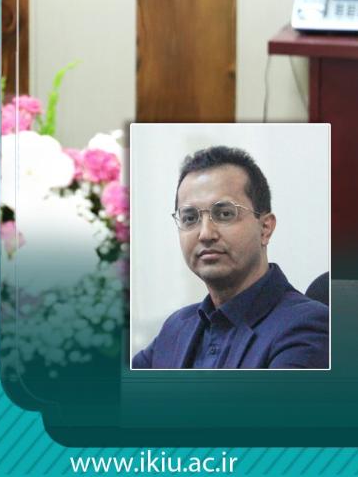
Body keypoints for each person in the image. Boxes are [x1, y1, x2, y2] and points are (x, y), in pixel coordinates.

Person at [132, 146, 329, 369]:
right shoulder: (176, 328)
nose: (205, 234)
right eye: (190, 218)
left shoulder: (308, 325)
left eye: (225, 214)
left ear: (265, 228)